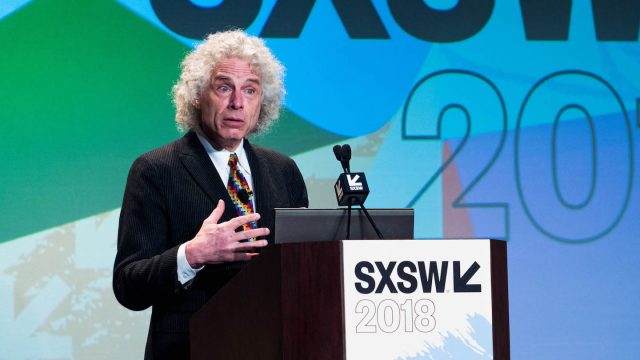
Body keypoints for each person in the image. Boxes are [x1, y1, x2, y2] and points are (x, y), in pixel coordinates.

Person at [112, 30, 308, 359]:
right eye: (223, 88)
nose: (237, 102)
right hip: (189, 350)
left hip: (273, 346)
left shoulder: (283, 170)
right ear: (198, 95)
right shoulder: (156, 170)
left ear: (264, 103)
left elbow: (303, 271)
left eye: (250, 90)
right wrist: (192, 254)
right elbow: (128, 286)